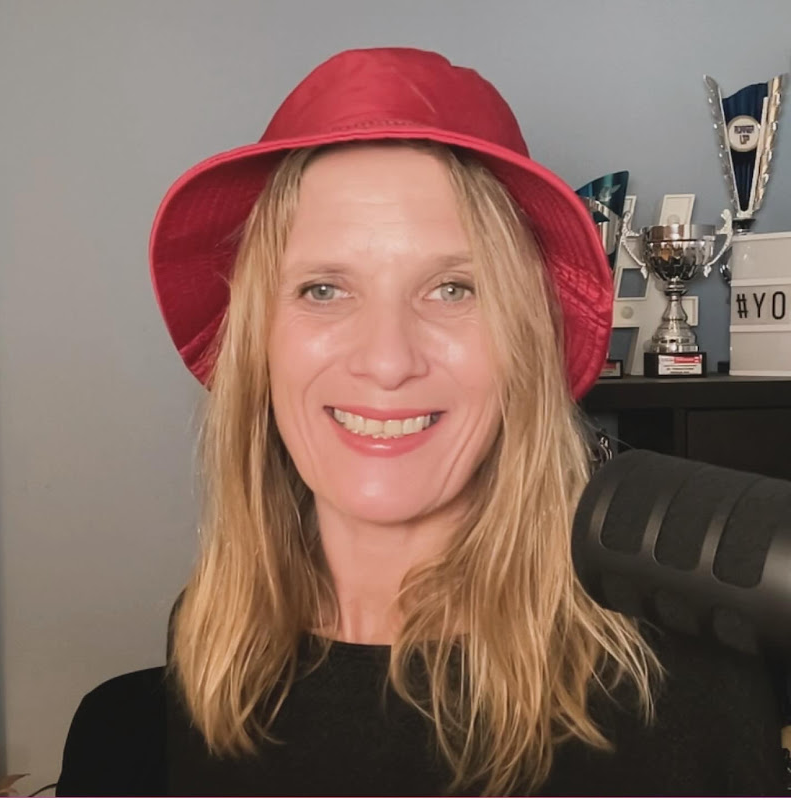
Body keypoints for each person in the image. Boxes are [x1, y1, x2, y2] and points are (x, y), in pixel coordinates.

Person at [56, 47, 785, 796]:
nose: (387, 361)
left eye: (453, 289)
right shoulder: (215, 643)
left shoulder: (685, 691)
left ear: (524, 342)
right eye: (323, 289)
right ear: (259, 346)